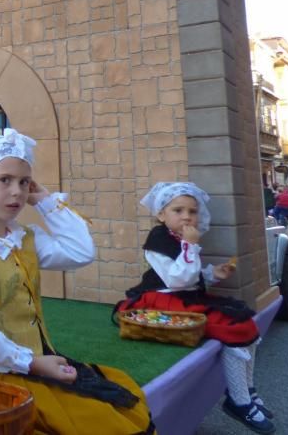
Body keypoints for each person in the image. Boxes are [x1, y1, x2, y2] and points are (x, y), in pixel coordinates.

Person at [0, 128, 153, 435]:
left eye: (24, 182)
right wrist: (31, 363)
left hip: (34, 361)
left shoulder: (23, 239)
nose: (17, 192)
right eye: (4, 180)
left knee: (112, 408)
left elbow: (80, 251)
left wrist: (44, 200)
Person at [116, 182, 274, 434]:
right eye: (178, 210)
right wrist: (190, 246)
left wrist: (212, 274)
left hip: (184, 296)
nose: (187, 216)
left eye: (192, 211)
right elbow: (177, 280)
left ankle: (247, 389)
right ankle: (238, 400)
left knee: (246, 321)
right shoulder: (158, 239)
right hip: (162, 298)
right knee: (234, 328)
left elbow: (189, 274)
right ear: (161, 215)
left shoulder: (179, 239)